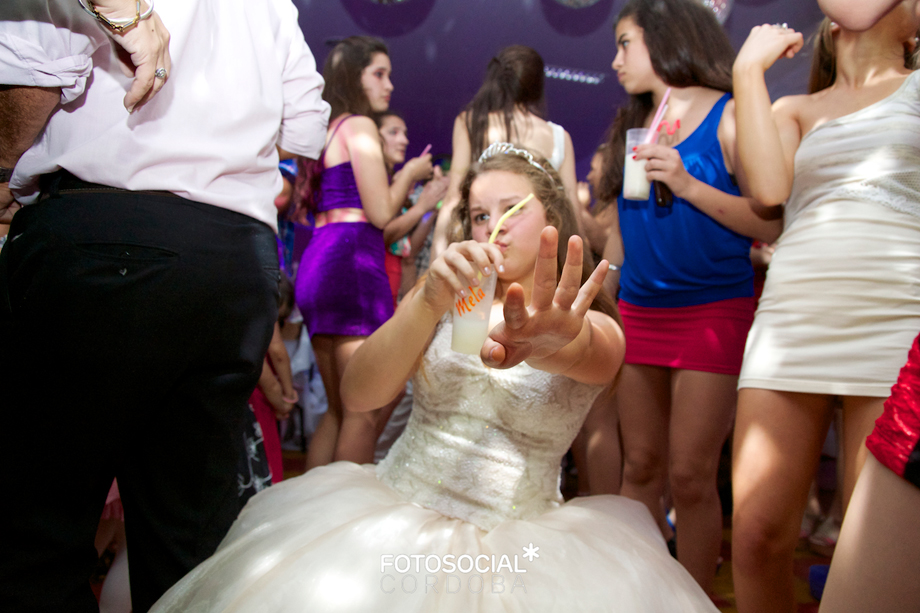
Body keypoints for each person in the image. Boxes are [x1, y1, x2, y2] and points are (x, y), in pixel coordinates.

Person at [148, 144, 719, 612]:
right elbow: (360, 396)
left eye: (512, 209)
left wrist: (551, 343)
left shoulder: (588, 322)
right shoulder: (451, 294)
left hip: (523, 553)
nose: (492, 225)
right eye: (478, 213)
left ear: (553, 219)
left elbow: (587, 353)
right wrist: (426, 304)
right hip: (390, 517)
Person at [0, 0, 330, 610]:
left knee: (38, 535)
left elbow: (33, 73)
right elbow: (305, 125)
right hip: (234, 264)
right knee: (187, 548)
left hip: (107, 232)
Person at [730, 10, 920, 612]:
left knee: (869, 551)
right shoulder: (794, 111)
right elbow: (767, 189)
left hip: (897, 318)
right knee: (757, 537)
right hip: (792, 320)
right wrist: (747, 69)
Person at [594, 0, 782, 594]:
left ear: (667, 40)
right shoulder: (637, 127)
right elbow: (625, 230)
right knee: (640, 467)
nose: (616, 58)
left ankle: (692, 601)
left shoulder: (731, 116)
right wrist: (603, 287)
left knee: (692, 474)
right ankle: (634, 596)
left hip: (712, 311)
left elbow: (770, 222)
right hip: (639, 312)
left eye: (626, 43)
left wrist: (685, 182)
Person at [294, 36, 434, 469]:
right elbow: (379, 212)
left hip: (318, 260)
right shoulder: (359, 126)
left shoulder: (325, 130)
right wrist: (410, 174)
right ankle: (342, 523)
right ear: (354, 77)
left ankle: (311, 515)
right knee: (362, 411)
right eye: (379, 73)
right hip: (353, 263)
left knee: (337, 411)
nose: (389, 84)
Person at [431, 45, 579, 259]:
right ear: (537, 86)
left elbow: (454, 196)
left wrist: (437, 257)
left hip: (487, 244)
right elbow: (570, 206)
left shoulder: (471, 123)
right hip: (540, 249)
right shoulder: (558, 135)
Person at [375, 109, 450, 303]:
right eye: (393, 132)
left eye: (405, 134)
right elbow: (381, 235)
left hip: (393, 280)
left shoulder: (396, 185)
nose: (404, 140)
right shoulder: (375, 184)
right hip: (376, 276)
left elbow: (408, 251)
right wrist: (421, 206)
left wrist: (431, 206)